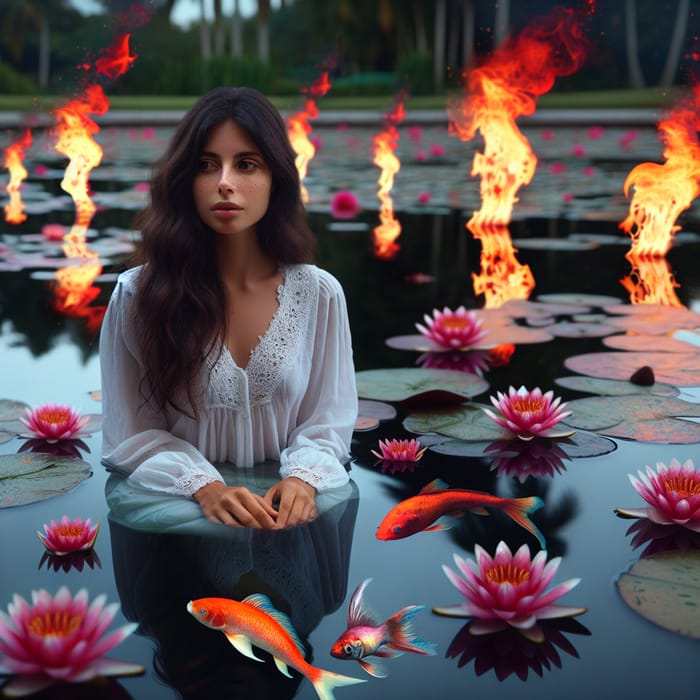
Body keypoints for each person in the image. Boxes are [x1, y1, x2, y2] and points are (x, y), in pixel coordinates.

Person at [99, 86, 357, 530]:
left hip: (288, 520)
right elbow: (131, 434)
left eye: (246, 164)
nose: (224, 181)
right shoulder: (137, 296)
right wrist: (204, 487)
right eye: (206, 165)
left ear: (276, 178)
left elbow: (328, 422)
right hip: (175, 512)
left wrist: (303, 479)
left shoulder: (320, 294)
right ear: (185, 180)